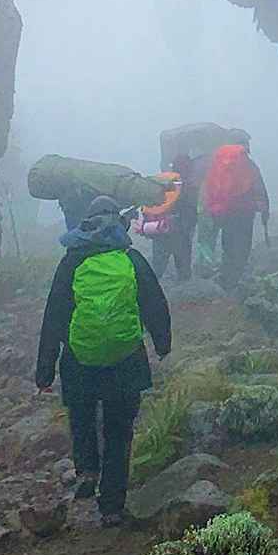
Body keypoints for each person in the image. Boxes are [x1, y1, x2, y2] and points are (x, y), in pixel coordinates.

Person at [35, 196, 171, 528]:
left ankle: (86, 468)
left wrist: (45, 370)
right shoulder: (132, 259)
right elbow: (155, 304)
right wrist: (162, 344)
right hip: (127, 361)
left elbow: (54, 316)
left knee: (81, 417)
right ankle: (111, 506)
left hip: (79, 361)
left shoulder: (71, 263)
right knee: (119, 432)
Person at [201, 140, 269, 289]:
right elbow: (259, 187)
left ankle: (225, 276)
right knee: (243, 246)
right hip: (245, 211)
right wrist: (265, 211)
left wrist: (210, 209)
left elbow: (210, 187)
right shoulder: (248, 165)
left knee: (228, 244)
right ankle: (233, 279)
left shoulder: (219, 164)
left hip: (224, 211)